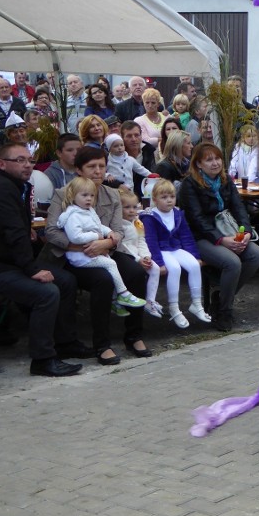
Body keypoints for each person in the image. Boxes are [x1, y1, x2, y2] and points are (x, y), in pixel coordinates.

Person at [0, 143, 91, 376]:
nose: (27, 165)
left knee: (66, 280)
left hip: (9, 262)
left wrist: (26, 231)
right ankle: (42, 359)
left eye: (29, 160)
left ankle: (65, 342)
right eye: (19, 160)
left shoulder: (16, 185)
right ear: (1, 164)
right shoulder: (1, 188)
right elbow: (12, 234)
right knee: (46, 292)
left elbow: (12, 229)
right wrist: (31, 269)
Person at [42, 145, 151, 364]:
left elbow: (118, 230)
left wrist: (106, 243)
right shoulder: (63, 194)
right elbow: (51, 231)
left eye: (102, 166)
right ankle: (102, 344)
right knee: (103, 279)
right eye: (91, 166)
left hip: (106, 249)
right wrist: (76, 247)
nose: (98, 171)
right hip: (72, 255)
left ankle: (134, 335)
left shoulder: (111, 194)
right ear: (79, 170)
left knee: (137, 273)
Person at [178, 142, 259, 331]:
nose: (215, 163)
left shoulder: (226, 181)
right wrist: (221, 240)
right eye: (209, 160)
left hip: (227, 231)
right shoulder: (189, 185)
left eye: (217, 158)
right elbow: (197, 219)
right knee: (232, 263)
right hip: (199, 237)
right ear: (199, 164)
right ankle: (224, 311)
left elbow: (239, 208)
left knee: (256, 254)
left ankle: (221, 296)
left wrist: (246, 233)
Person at [57, 176, 147, 316]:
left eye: (92, 196)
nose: (89, 199)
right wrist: (97, 237)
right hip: (80, 256)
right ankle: (123, 294)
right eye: (84, 195)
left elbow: (98, 225)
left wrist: (109, 232)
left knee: (113, 267)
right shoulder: (73, 216)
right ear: (73, 196)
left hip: (92, 252)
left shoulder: (88, 211)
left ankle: (115, 300)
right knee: (110, 264)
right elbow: (75, 236)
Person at [141, 179, 211, 328]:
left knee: (193, 265)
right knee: (175, 269)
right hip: (162, 251)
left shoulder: (178, 213)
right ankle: (174, 307)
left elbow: (186, 236)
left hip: (176, 248)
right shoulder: (150, 216)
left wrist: (195, 256)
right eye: (164, 197)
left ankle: (197, 304)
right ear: (155, 199)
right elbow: (151, 241)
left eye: (172, 197)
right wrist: (159, 263)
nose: (169, 201)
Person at [117, 188, 161, 330]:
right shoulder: (119, 224)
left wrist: (146, 256)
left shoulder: (137, 222)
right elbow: (122, 245)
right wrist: (137, 259)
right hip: (126, 255)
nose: (131, 211)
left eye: (134, 207)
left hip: (138, 253)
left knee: (155, 268)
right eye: (127, 207)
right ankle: (118, 300)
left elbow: (141, 240)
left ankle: (150, 300)